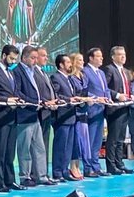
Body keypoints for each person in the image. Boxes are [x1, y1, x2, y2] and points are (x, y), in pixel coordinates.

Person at [0, 44, 24, 193]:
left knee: (10, 151)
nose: (13, 62)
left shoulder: (11, 72)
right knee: (0, 151)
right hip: (0, 116)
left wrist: (18, 100)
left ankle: (10, 180)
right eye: (11, 59)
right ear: (3, 56)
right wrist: (6, 100)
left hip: (12, 116)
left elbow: (14, 91)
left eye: (15, 59)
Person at [13, 46, 54, 187]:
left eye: (36, 58)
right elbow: (18, 93)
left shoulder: (32, 71)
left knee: (39, 147)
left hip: (35, 114)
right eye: (32, 58)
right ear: (24, 58)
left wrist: (41, 102)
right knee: (24, 149)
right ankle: (25, 176)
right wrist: (33, 103)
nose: (35, 61)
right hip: (24, 115)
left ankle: (41, 176)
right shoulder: (17, 71)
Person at [103, 46, 134, 175]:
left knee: (121, 138)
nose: (123, 57)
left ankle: (119, 164)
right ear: (113, 57)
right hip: (115, 108)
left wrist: (131, 95)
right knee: (113, 139)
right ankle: (111, 165)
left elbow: (127, 88)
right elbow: (104, 88)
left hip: (125, 107)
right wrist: (117, 95)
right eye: (120, 54)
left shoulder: (126, 71)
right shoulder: (109, 69)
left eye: (124, 54)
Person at [50, 54, 80, 182]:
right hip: (62, 116)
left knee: (68, 147)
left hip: (71, 115)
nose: (70, 64)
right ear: (61, 65)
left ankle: (64, 170)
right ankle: (57, 172)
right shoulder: (55, 77)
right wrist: (69, 99)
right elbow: (56, 95)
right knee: (60, 146)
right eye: (67, 62)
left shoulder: (69, 78)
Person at [83, 47, 112, 178]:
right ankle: (88, 168)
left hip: (101, 110)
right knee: (89, 140)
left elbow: (106, 89)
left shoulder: (101, 73)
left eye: (101, 56)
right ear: (91, 58)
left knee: (98, 140)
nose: (101, 58)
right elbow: (84, 91)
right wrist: (96, 98)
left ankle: (96, 166)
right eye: (98, 56)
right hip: (91, 110)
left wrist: (108, 99)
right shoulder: (85, 71)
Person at [33, 46, 59, 179]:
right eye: (43, 55)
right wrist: (46, 102)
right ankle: (37, 174)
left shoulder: (43, 72)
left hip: (48, 112)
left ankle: (44, 173)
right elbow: (36, 92)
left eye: (46, 55)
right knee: (38, 145)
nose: (46, 58)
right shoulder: (33, 72)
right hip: (40, 112)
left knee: (45, 144)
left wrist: (55, 101)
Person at [68, 52, 93, 179]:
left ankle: (79, 166)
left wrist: (93, 99)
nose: (82, 62)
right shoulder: (71, 78)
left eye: (82, 60)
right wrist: (83, 100)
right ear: (73, 62)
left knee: (84, 142)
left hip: (84, 112)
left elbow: (87, 92)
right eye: (79, 60)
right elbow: (73, 95)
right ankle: (73, 167)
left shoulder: (84, 76)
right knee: (76, 142)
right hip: (76, 112)